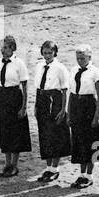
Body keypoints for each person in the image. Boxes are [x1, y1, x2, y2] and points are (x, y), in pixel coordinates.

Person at [0, 34, 31, 177]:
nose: (3, 51)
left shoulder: (19, 63)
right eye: (2, 48)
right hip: (2, 97)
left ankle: (14, 165)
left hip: (14, 98)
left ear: (13, 48)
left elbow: (25, 86)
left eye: (6, 48)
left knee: (15, 132)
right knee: (4, 131)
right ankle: (7, 164)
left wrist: (24, 107)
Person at [66, 46, 99, 189]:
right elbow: (71, 92)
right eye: (78, 58)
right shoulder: (74, 70)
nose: (80, 60)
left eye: (83, 58)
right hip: (76, 105)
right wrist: (69, 113)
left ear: (89, 57)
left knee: (91, 141)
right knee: (79, 140)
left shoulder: (96, 72)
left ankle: (89, 175)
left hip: (89, 106)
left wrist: (96, 116)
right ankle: (81, 174)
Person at [34, 40, 71, 183]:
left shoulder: (60, 68)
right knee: (45, 134)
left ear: (55, 52)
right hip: (42, 99)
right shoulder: (39, 66)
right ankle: (48, 168)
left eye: (50, 52)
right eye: (45, 53)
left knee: (56, 134)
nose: (47, 55)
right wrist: (37, 106)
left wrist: (63, 109)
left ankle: (55, 168)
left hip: (55, 100)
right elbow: (38, 87)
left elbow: (64, 90)